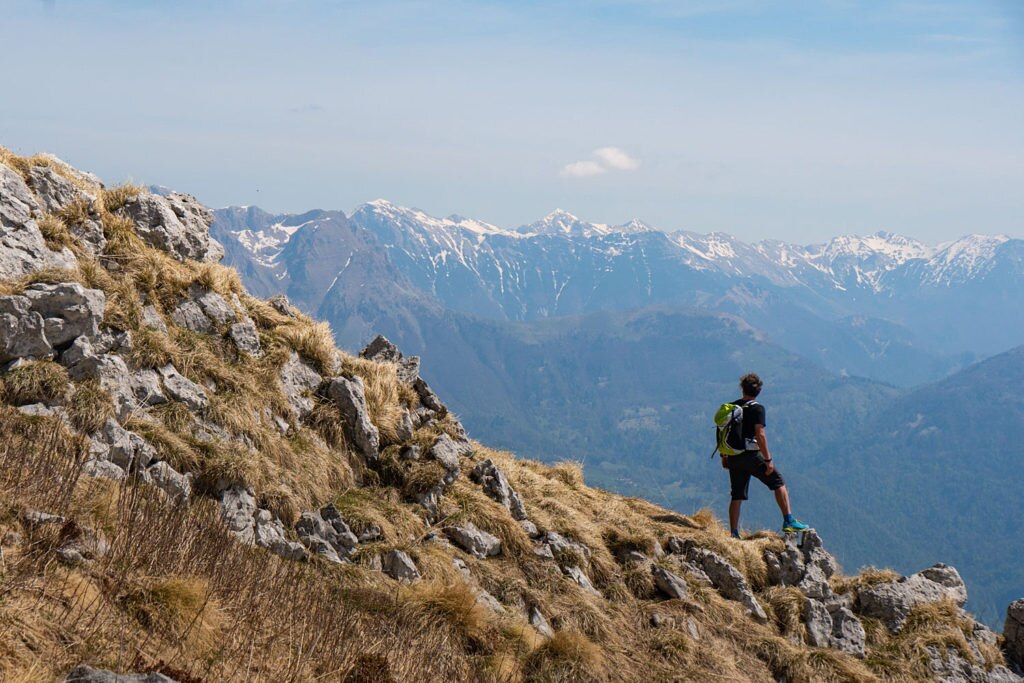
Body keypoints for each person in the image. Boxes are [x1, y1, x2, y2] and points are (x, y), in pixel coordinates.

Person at [721, 372, 809, 539]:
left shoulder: (732, 407)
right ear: (758, 391)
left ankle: (734, 533)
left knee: (737, 494)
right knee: (778, 482)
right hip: (751, 455)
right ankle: (788, 521)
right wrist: (768, 460)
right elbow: (760, 435)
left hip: (733, 456)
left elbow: (723, 432)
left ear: (742, 388)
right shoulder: (757, 409)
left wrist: (724, 455)